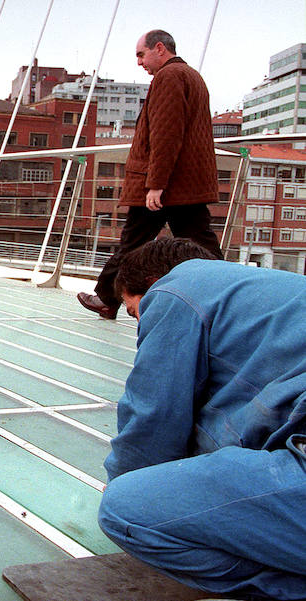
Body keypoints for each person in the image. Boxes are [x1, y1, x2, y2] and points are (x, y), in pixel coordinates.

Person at [97, 238, 306, 601]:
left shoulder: (174, 292)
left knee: (124, 509)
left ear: (150, 285)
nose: (140, 328)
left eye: (134, 313)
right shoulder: (266, 296)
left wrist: (131, 482)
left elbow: (152, 420)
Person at [77, 30, 222, 320]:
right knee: (202, 244)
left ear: (159, 48)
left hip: (164, 186)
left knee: (134, 242)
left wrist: (155, 184)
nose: (140, 63)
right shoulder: (193, 76)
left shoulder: (168, 78)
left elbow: (165, 135)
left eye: (141, 55)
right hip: (187, 183)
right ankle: (229, 292)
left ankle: (107, 299)